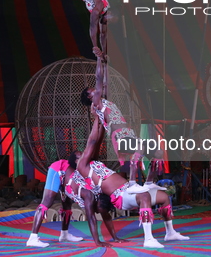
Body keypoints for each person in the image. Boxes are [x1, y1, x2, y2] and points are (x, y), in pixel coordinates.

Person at [75, 104, 189, 248]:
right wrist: (96, 117)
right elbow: (92, 141)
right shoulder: (83, 167)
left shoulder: (94, 163)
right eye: (79, 155)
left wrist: (100, 118)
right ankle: (148, 239)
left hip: (129, 189)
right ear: (76, 161)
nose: (83, 153)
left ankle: (170, 232)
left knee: (164, 197)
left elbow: (97, 141)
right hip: (120, 196)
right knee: (144, 197)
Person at [81, 48, 161, 191]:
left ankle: (149, 182)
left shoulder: (103, 100)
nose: (94, 89)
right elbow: (99, 79)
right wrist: (99, 59)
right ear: (89, 96)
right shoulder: (97, 103)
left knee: (158, 152)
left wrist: (105, 64)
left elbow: (104, 80)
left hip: (128, 134)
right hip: (119, 136)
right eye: (91, 90)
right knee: (140, 148)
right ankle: (132, 182)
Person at [65, 152, 126, 248]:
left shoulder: (93, 171)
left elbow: (105, 215)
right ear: (77, 161)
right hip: (62, 177)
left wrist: (115, 238)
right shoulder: (87, 193)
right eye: (81, 156)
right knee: (66, 206)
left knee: (103, 209)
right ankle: (63, 233)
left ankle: (114, 236)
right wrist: (97, 242)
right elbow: (90, 217)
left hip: (90, 186)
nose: (85, 156)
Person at [26, 159, 84, 247]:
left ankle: (64, 234)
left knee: (67, 205)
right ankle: (33, 238)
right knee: (46, 203)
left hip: (66, 177)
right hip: (58, 170)